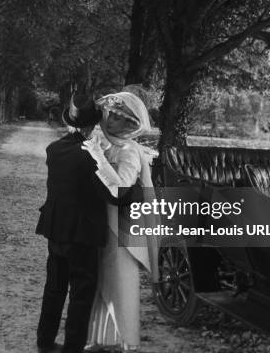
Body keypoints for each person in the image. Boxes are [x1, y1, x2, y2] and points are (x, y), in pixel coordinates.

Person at [36, 94, 132, 353]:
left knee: (54, 289)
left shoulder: (54, 149)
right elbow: (114, 195)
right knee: (81, 295)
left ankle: (44, 343)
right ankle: (72, 348)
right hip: (84, 234)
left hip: (55, 228)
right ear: (94, 126)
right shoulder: (93, 156)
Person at [81, 91, 158, 353]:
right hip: (99, 221)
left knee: (121, 281)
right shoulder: (100, 140)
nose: (110, 120)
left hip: (121, 226)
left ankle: (127, 340)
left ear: (129, 125)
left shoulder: (129, 151)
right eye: (110, 114)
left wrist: (100, 159)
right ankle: (99, 337)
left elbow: (122, 186)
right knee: (97, 280)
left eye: (117, 117)